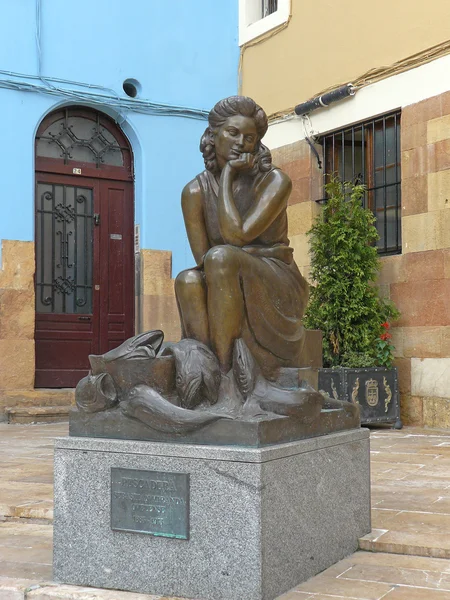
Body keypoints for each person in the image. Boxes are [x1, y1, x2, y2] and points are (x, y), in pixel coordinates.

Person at [175, 96, 309, 377]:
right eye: (232, 132)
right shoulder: (194, 192)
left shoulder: (274, 181)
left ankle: (226, 376)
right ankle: (204, 375)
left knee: (222, 257)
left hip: (277, 278)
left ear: (257, 144)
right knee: (187, 280)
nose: (241, 142)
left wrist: (226, 177)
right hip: (227, 273)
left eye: (249, 137)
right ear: (213, 136)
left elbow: (237, 237)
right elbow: (203, 260)